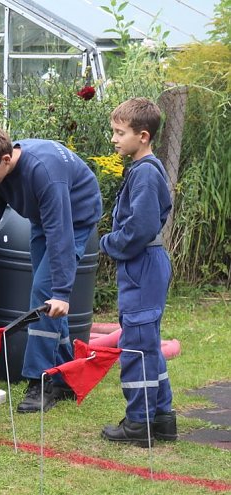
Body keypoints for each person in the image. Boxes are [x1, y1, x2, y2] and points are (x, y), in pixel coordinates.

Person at [0, 125, 102, 412]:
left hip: (75, 218)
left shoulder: (44, 173)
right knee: (49, 301)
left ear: (6, 160)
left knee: (46, 293)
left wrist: (62, 292)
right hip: (43, 219)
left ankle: (39, 381)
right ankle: (67, 375)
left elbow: (60, 235)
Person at [99, 97, 175, 447]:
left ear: (143, 136)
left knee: (136, 347)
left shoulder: (145, 173)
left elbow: (140, 228)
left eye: (119, 132)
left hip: (142, 264)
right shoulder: (144, 169)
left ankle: (138, 422)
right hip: (145, 265)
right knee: (148, 343)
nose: (114, 139)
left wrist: (109, 243)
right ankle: (162, 417)